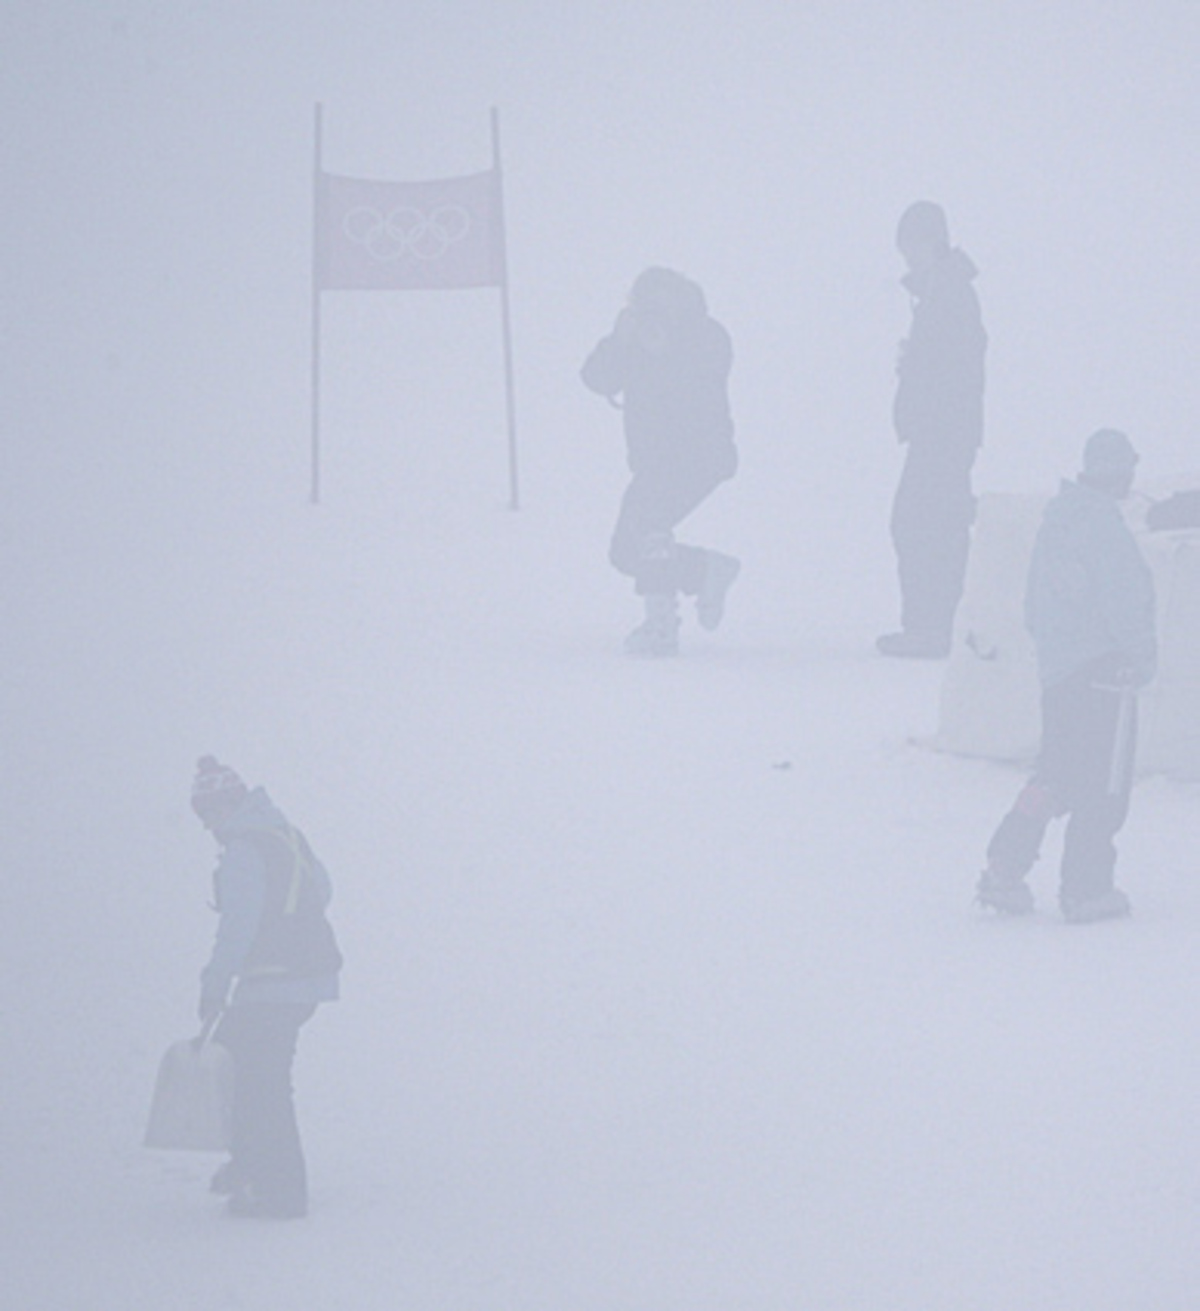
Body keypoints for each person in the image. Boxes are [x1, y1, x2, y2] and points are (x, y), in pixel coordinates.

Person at [976, 430, 1157, 922]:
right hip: (1106, 674)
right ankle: (1087, 888)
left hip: (1059, 675)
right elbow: (1125, 604)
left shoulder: (1056, 524)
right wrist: (1141, 660)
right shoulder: (1104, 528)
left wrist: (1060, 655)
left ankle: (1004, 866)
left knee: (1057, 774)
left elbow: (1034, 608)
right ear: (1120, 470)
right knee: (1104, 785)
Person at [191, 756, 342, 1218]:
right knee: (243, 1065)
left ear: (225, 806)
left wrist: (214, 986)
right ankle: (251, 1167)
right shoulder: (285, 835)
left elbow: (238, 926)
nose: (207, 826)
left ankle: (279, 1192)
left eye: (207, 814)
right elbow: (323, 887)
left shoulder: (243, 849)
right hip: (307, 978)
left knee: (261, 1083)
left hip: (275, 982)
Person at [582, 267, 740, 656]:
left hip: (698, 455)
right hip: (654, 460)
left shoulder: (706, 333)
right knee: (626, 549)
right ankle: (702, 570)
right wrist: (621, 342)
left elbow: (702, 383)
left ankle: (660, 626)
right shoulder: (634, 338)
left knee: (649, 532)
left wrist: (665, 351)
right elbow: (596, 379)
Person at [878, 201, 987, 658]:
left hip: (942, 435)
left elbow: (952, 368)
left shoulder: (948, 294)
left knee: (922, 525)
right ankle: (934, 625)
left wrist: (918, 392)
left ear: (928, 242)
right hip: (943, 433)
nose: (906, 258)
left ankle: (931, 628)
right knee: (929, 524)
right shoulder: (944, 292)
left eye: (909, 247)